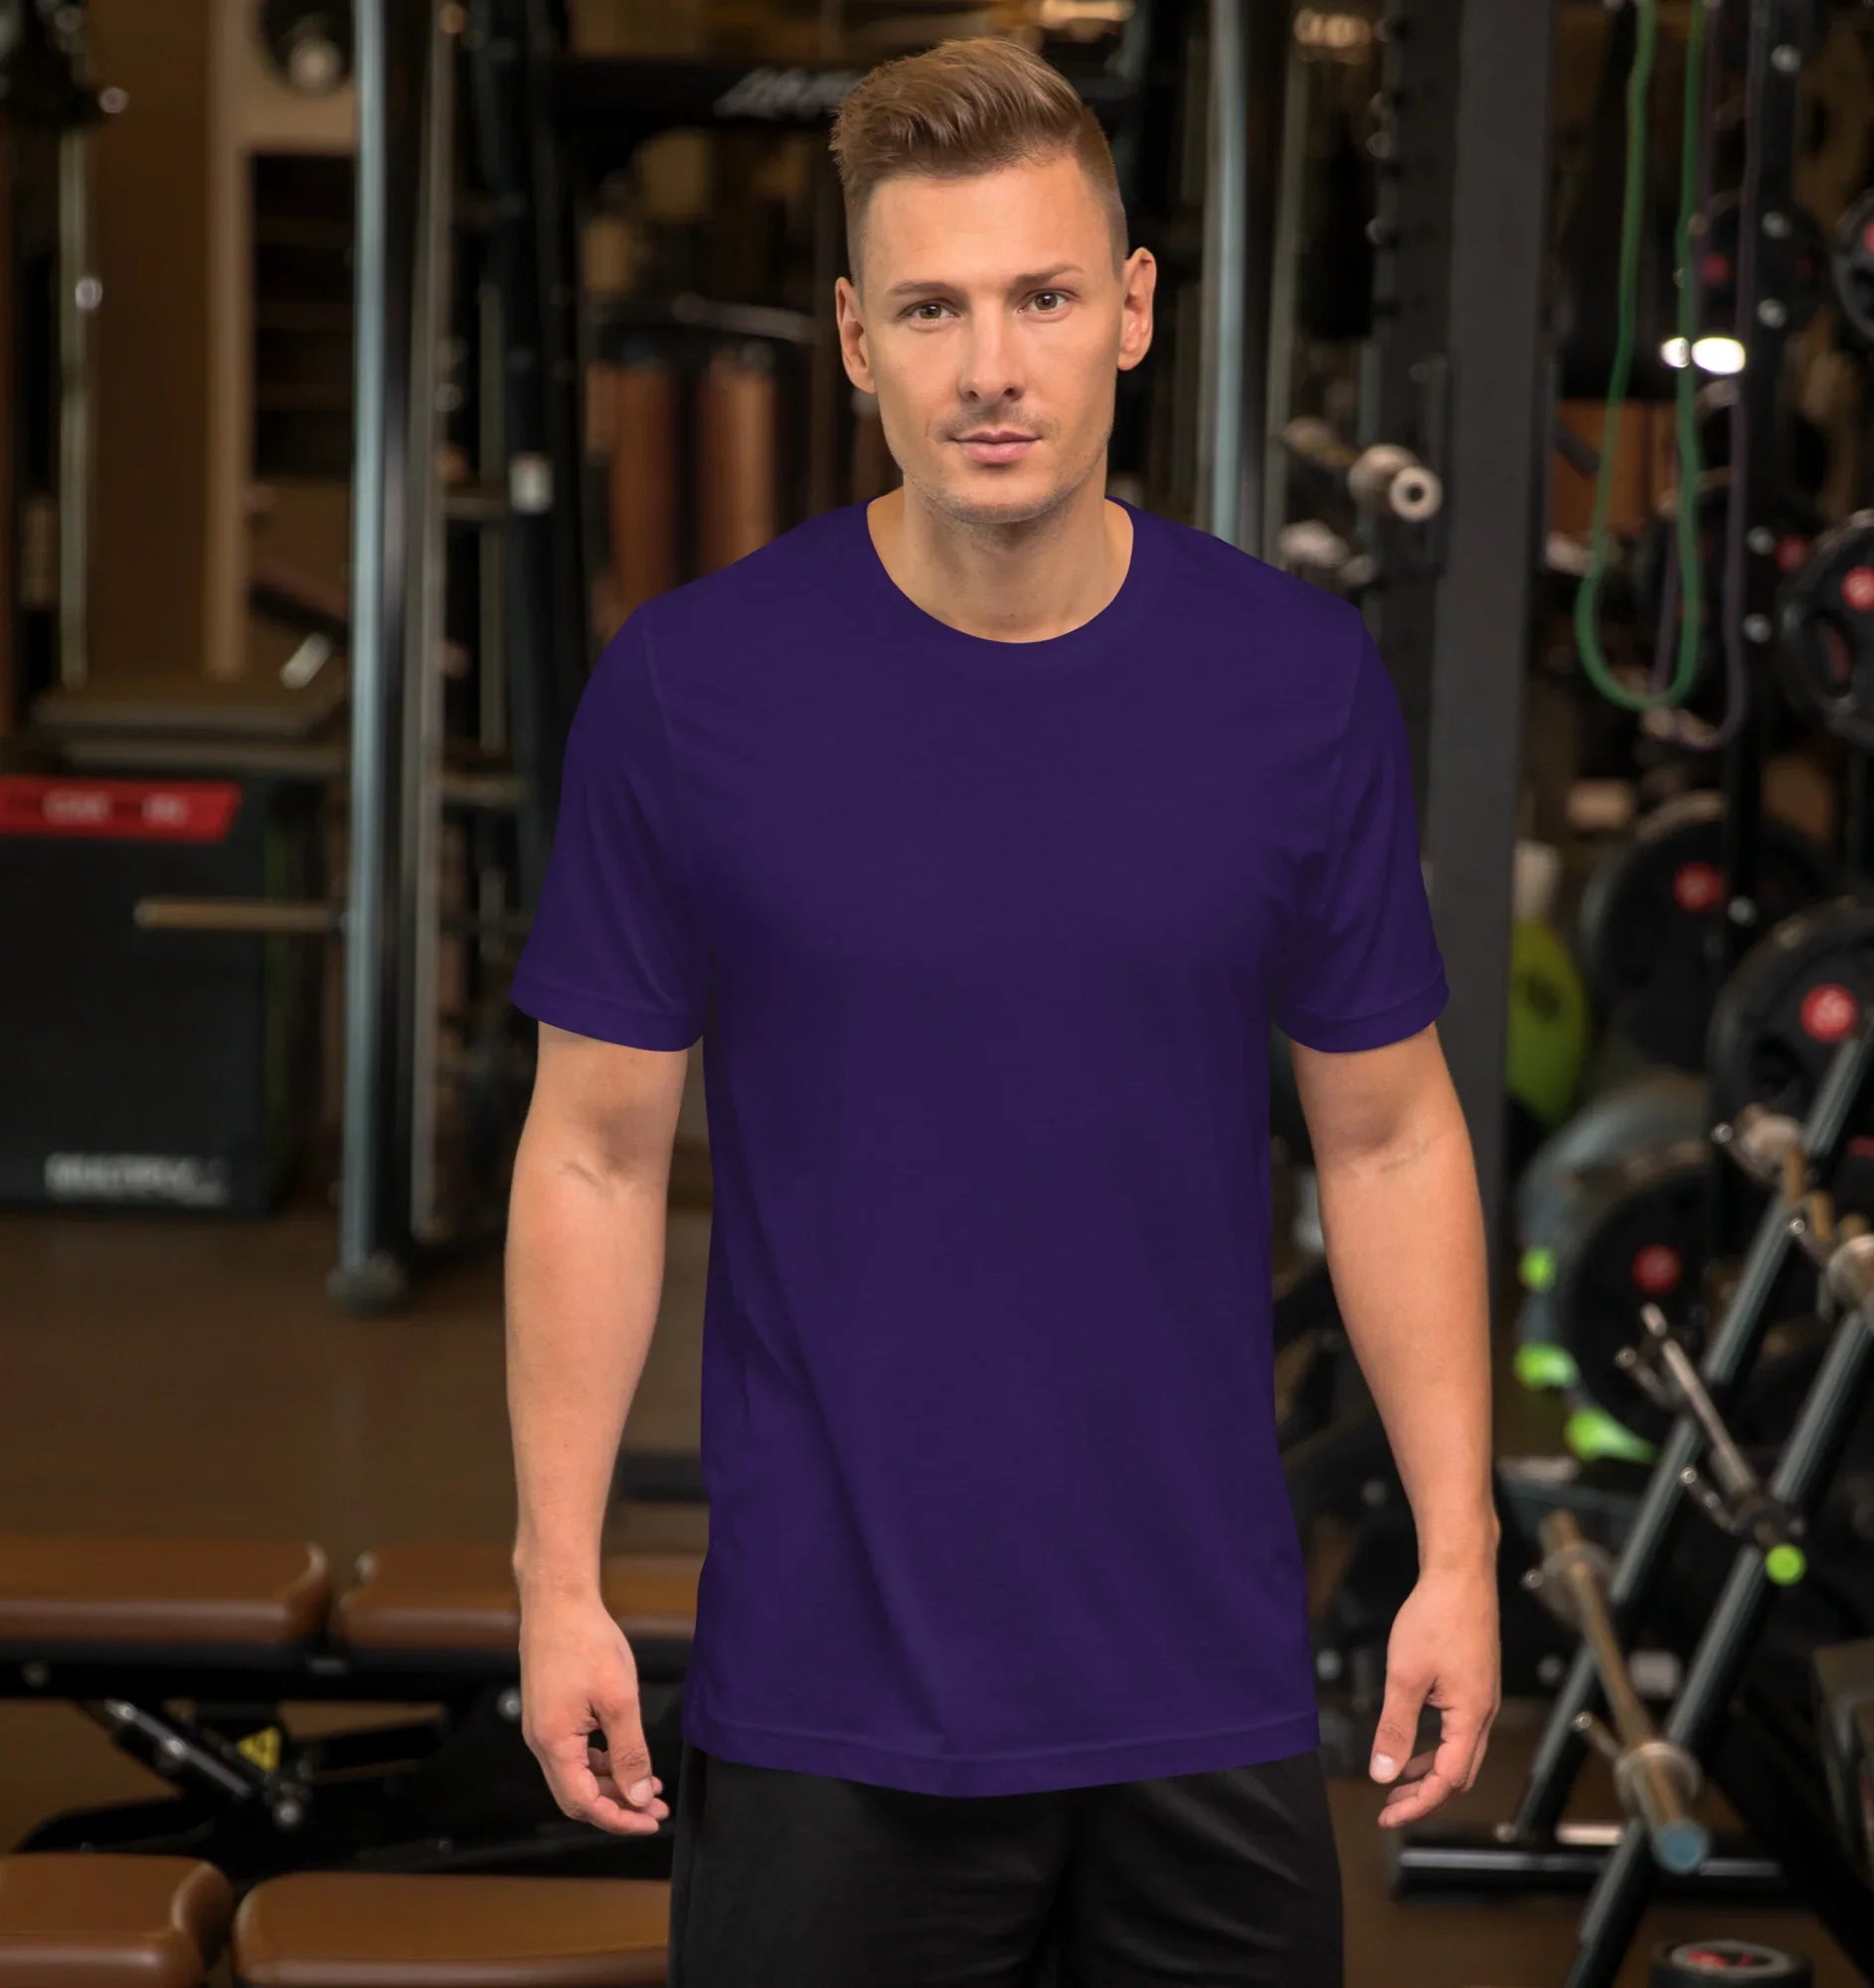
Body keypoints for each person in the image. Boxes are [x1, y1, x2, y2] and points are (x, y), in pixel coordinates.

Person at [504, 33, 1496, 1988]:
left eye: (1042, 297)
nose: (990, 368)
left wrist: (1453, 1556)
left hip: (1199, 1686)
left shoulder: (1293, 687)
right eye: (934, 309)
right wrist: (557, 1579)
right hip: (828, 1694)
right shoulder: (695, 691)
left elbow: (1389, 1132)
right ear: (855, 338)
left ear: (1129, 313)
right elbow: (595, 1153)